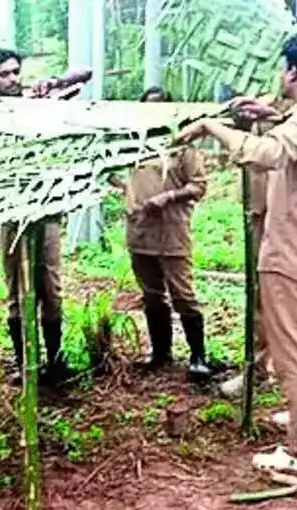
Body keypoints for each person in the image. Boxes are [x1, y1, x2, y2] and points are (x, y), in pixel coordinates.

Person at [176, 32, 297, 474]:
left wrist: (211, 126)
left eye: (283, 66)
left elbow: (262, 154)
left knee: (293, 351)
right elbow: (296, 135)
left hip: (292, 253)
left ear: (292, 71)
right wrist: (270, 114)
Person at [0, 47, 75, 387]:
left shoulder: (41, 105)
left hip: (46, 212)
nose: (13, 79)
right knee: (17, 290)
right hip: (10, 215)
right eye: (4, 74)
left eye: (16, 71)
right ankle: (24, 362)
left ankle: (55, 358)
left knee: (50, 287)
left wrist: (51, 87)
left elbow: (83, 76)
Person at [119, 87, 213, 384]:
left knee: (183, 295)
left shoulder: (183, 146)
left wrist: (168, 196)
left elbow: (198, 185)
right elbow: (118, 176)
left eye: (159, 108)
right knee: (151, 295)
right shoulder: (134, 145)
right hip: (140, 230)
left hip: (171, 229)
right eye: (147, 108)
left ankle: (199, 356)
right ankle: (161, 352)